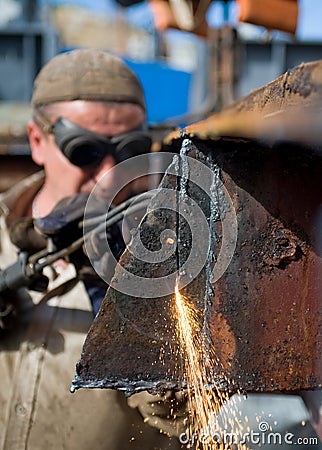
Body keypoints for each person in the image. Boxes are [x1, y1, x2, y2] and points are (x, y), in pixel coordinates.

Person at [0, 48, 187, 450]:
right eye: (84, 150)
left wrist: (130, 312)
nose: (108, 174)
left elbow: (188, 421)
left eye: (128, 150)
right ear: (37, 140)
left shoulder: (177, 266)